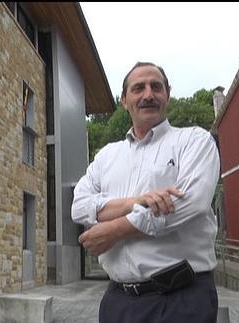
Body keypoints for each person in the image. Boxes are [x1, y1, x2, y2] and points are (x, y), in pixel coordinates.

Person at [71, 62, 220, 323]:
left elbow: (191, 202)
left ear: (167, 94)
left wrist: (115, 229)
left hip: (181, 302)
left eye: (156, 87)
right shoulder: (107, 156)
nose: (148, 94)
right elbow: (79, 206)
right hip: (117, 302)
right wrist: (135, 203)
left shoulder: (194, 141)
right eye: (138, 88)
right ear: (124, 100)